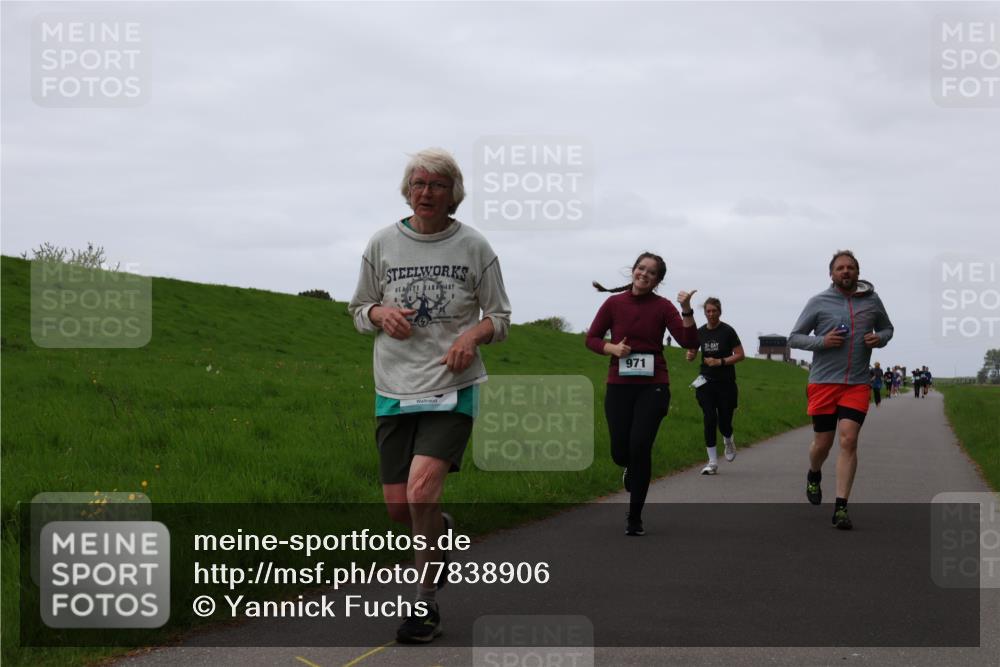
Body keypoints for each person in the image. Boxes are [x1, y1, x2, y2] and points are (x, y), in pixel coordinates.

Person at [348, 148, 511, 643]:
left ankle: (424, 606)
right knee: (402, 508)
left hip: (451, 388)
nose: (426, 193)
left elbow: (499, 318)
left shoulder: (475, 247)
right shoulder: (381, 244)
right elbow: (357, 308)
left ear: (453, 194)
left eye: (437, 185)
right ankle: (439, 527)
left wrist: (470, 337)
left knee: (420, 490)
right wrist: (378, 315)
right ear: (407, 190)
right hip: (393, 388)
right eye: (418, 184)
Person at [586, 253, 699, 536]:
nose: (644, 274)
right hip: (619, 386)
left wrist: (686, 309)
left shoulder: (663, 307)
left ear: (658, 280)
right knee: (620, 452)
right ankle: (629, 469)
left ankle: (634, 518)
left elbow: (689, 341)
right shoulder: (613, 303)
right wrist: (612, 349)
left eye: (651, 272)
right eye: (641, 269)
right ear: (633, 271)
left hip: (654, 386)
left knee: (640, 447)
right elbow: (592, 338)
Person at [789, 250, 893, 530]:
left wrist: (878, 338)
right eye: (840, 268)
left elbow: (888, 329)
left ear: (857, 272)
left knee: (848, 441)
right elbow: (794, 338)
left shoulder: (872, 301)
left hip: (857, 383)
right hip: (823, 382)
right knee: (822, 444)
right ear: (832, 274)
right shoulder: (819, 302)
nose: (845, 271)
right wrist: (822, 341)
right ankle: (814, 473)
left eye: (850, 267)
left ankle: (841, 507)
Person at [685, 297, 745, 474]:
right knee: (709, 419)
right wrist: (690, 355)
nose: (711, 314)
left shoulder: (727, 331)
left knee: (724, 422)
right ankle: (712, 462)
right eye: (708, 311)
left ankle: (728, 439)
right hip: (705, 383)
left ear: (720, 312)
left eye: (714, 311)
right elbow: (693, 351)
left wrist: (720, 361)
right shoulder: (700, 332)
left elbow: (740, 354)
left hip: (726, 383)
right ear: (704, 313)